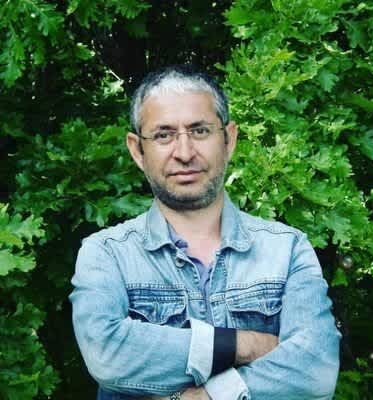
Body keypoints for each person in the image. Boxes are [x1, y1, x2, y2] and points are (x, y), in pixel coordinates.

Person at [70, 65, 341, 400]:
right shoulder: (106, 253)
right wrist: (243, 345)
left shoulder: (287, 250)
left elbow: (315, 370)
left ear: (229, 140)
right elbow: (107, 353)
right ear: (137, 150)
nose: (184, 153)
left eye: (199, 131)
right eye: (164, 135)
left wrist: (210, 395)